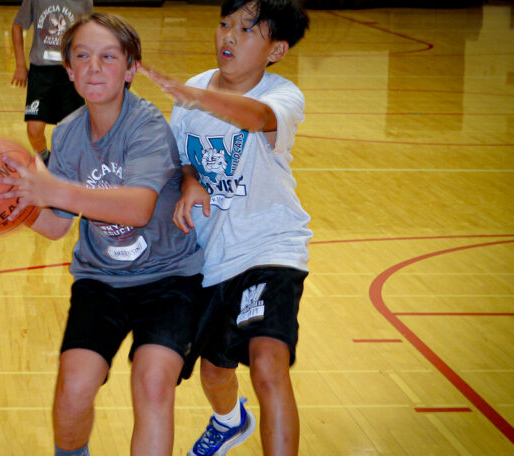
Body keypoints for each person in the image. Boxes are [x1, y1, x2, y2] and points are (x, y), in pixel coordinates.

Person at [0, 12, 205, 456]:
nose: (95, 67)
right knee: (73, 388)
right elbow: (56, 224)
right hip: (100, 280)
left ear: (130, 69)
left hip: (169, 279)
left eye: (108, 57)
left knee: (152, 382)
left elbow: (136, 208)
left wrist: (54, 188)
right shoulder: (70, 133)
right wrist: (13, 207)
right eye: (83, 57)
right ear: (69, 71)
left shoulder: (147, 126)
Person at [140, 1, 311, 455]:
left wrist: (192, 96)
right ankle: (230, 421)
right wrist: (192, 182)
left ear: (276, 49)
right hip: (211, 257)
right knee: (215, 372)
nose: (229, 36)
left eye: (247, 30)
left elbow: (254, 118)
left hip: (271, 248)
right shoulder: (194, 89)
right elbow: (182, 161)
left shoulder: (283, 96)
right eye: (224, 24)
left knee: (268, 365)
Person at [11, 0, 93, 164]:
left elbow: (89, 33)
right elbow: (17, 26)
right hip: (41, 72)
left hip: (70, 73)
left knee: (73, 132)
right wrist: (20, 64)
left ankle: (72, 168)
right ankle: (45, 161)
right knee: (34, 130)